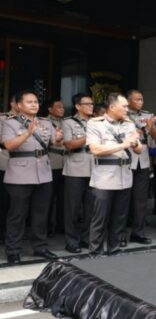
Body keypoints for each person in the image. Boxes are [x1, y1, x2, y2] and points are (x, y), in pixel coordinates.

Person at [2, 90, 61, 264]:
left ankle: (40, 247)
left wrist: (57, 139)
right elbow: (9, 146)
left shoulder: (45, 122)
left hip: (43, 173)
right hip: (19, 174)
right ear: (19, 105)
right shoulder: (10, 123)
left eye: (36, 101)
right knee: (17, 215)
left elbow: (54, 143)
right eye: (29, 102)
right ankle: (13, 250)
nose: (34, 104)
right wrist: (27, 133)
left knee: (41, 214)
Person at [87, 92, 142, 256]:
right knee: (100, 218)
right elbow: (95, 149)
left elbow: (138, 149)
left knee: (119, 217)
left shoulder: (128, 124)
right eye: (124, 106)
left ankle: (114, 250)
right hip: (104, 177)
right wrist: (123, 144)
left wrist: (135, 143)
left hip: (124, 176)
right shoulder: (95, 124)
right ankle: (95, 253)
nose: (127, 109)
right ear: (112, 107)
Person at [61, 93, 95, 254]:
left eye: (92, 104)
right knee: (72, 208)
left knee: (91, 208)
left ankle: (86, 238)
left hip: (95, 169)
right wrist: (88, 137)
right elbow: (68, 144)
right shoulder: (68, 122)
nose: (91, 106)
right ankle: (71, 241)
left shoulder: (98, 122)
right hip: (75, 169)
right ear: (78, 106)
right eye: (87, 104)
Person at [125, 89, 156, 245]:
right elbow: (132, 133)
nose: (140, 102)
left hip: (143, 160)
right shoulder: (123, 115)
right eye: (137, 99)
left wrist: (151, 127)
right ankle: (119, 234)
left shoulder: (147, 115)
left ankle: (138, 232)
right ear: (128, 100)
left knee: (140, 199)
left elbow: (155, 137)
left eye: (142, 99)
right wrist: (145, 128)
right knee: (123, 199)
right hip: (127, 159)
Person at [46, 99, 66, 234]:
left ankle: (61, 226)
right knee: (48, 198)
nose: (62, 109)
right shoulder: (44, 122)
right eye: (58, 107)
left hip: (66, 164)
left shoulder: (66, 122)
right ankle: (47, 227)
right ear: (50, 109)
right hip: (52, 163)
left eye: (63, 107)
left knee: (63, 198)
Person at [0, 94, 18, 244]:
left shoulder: (35, 121)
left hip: (25, 167)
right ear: (14, 104)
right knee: (4, 200)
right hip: (6, 162)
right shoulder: (3, 119)